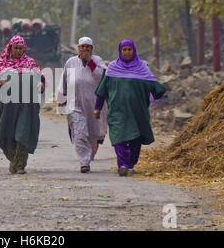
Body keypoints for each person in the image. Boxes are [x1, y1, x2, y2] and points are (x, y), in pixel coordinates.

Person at [94, 39, 165, 176]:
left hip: (137, 112)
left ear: (134, 51)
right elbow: (102, 90)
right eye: (124, 50)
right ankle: (123, 164)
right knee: (118, 138)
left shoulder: (142, 68)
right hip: (117, 111)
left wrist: (159, 95)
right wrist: (97, 107)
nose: (127, 52)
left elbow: (155, 86)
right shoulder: (111, 69)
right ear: (120, 52)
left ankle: (131, 164)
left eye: (129, 49)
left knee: (135, 139)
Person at [0, 35, 45, 175]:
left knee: (23, 133)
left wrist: (41, 85)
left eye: (21, 48)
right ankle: (14, 160)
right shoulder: (1, 65)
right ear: (10, 48)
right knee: (7, 134)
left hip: (26, 106)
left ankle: (20, 165)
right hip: (7, 107)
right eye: (16, 48)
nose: (18, 51)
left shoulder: (30, 63)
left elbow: (40, 79)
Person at [57, 37, 108, 173]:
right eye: (82, 47)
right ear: (78, 48)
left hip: (94, 104)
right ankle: (84, 162)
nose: (85, 49)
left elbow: (102, 78)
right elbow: (64, 81)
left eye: (88, 47)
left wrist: (90, 62)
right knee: (80, 133)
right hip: (75, 105)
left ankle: (89, 155)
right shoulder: (71, 62)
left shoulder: (98, 61)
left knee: (92, 134)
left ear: (92, 49)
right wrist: (61, 101)